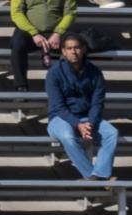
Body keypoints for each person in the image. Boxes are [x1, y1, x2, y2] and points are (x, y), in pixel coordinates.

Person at [44, 30, 117, 183]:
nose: (73, 51)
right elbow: (58, 106)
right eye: (69, 48)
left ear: (83, 49)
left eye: (76, 47)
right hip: (60, 119)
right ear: (63, 51)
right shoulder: (54, 73)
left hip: (87, 117)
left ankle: (101, 174)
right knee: (68, 136)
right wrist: (78, 125)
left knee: (112, 133)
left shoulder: (95, 73)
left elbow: (98, 102)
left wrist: (90, 123)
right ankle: (93, 177)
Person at [9, 0, 75, 93]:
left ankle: (73, 85)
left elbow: (70, 13)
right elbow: (16, 13)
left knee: (74, 44)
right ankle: (21, 86)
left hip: (56, 32)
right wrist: (34, 33)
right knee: (17, 44)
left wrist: (58, 32)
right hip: (28, 31)